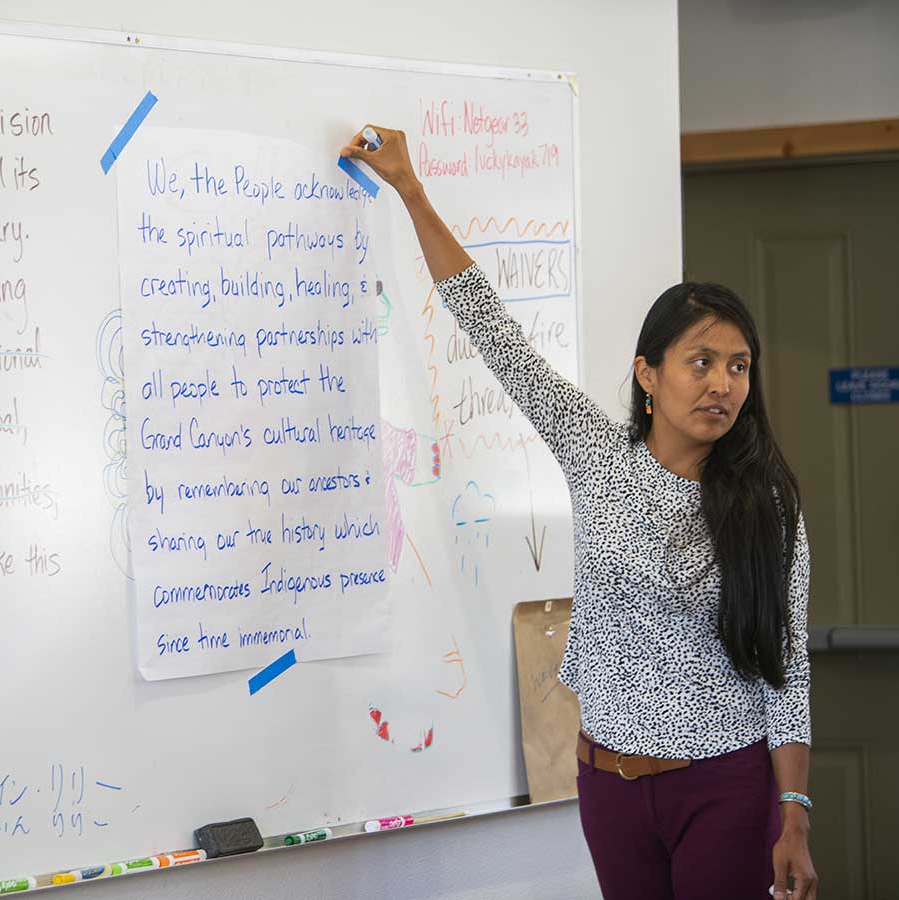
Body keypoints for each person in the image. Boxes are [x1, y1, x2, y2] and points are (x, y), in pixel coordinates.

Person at [340, 125, 818, 900]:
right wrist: (411, 190)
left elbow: (787, 666)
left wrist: (793, 814)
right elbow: (494, 333)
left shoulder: (767, 501)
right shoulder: (597, 455)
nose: (723, 385)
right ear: (648, 374)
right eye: (702, 362)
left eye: (738, 367)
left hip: (724, 787)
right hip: (607, 787)